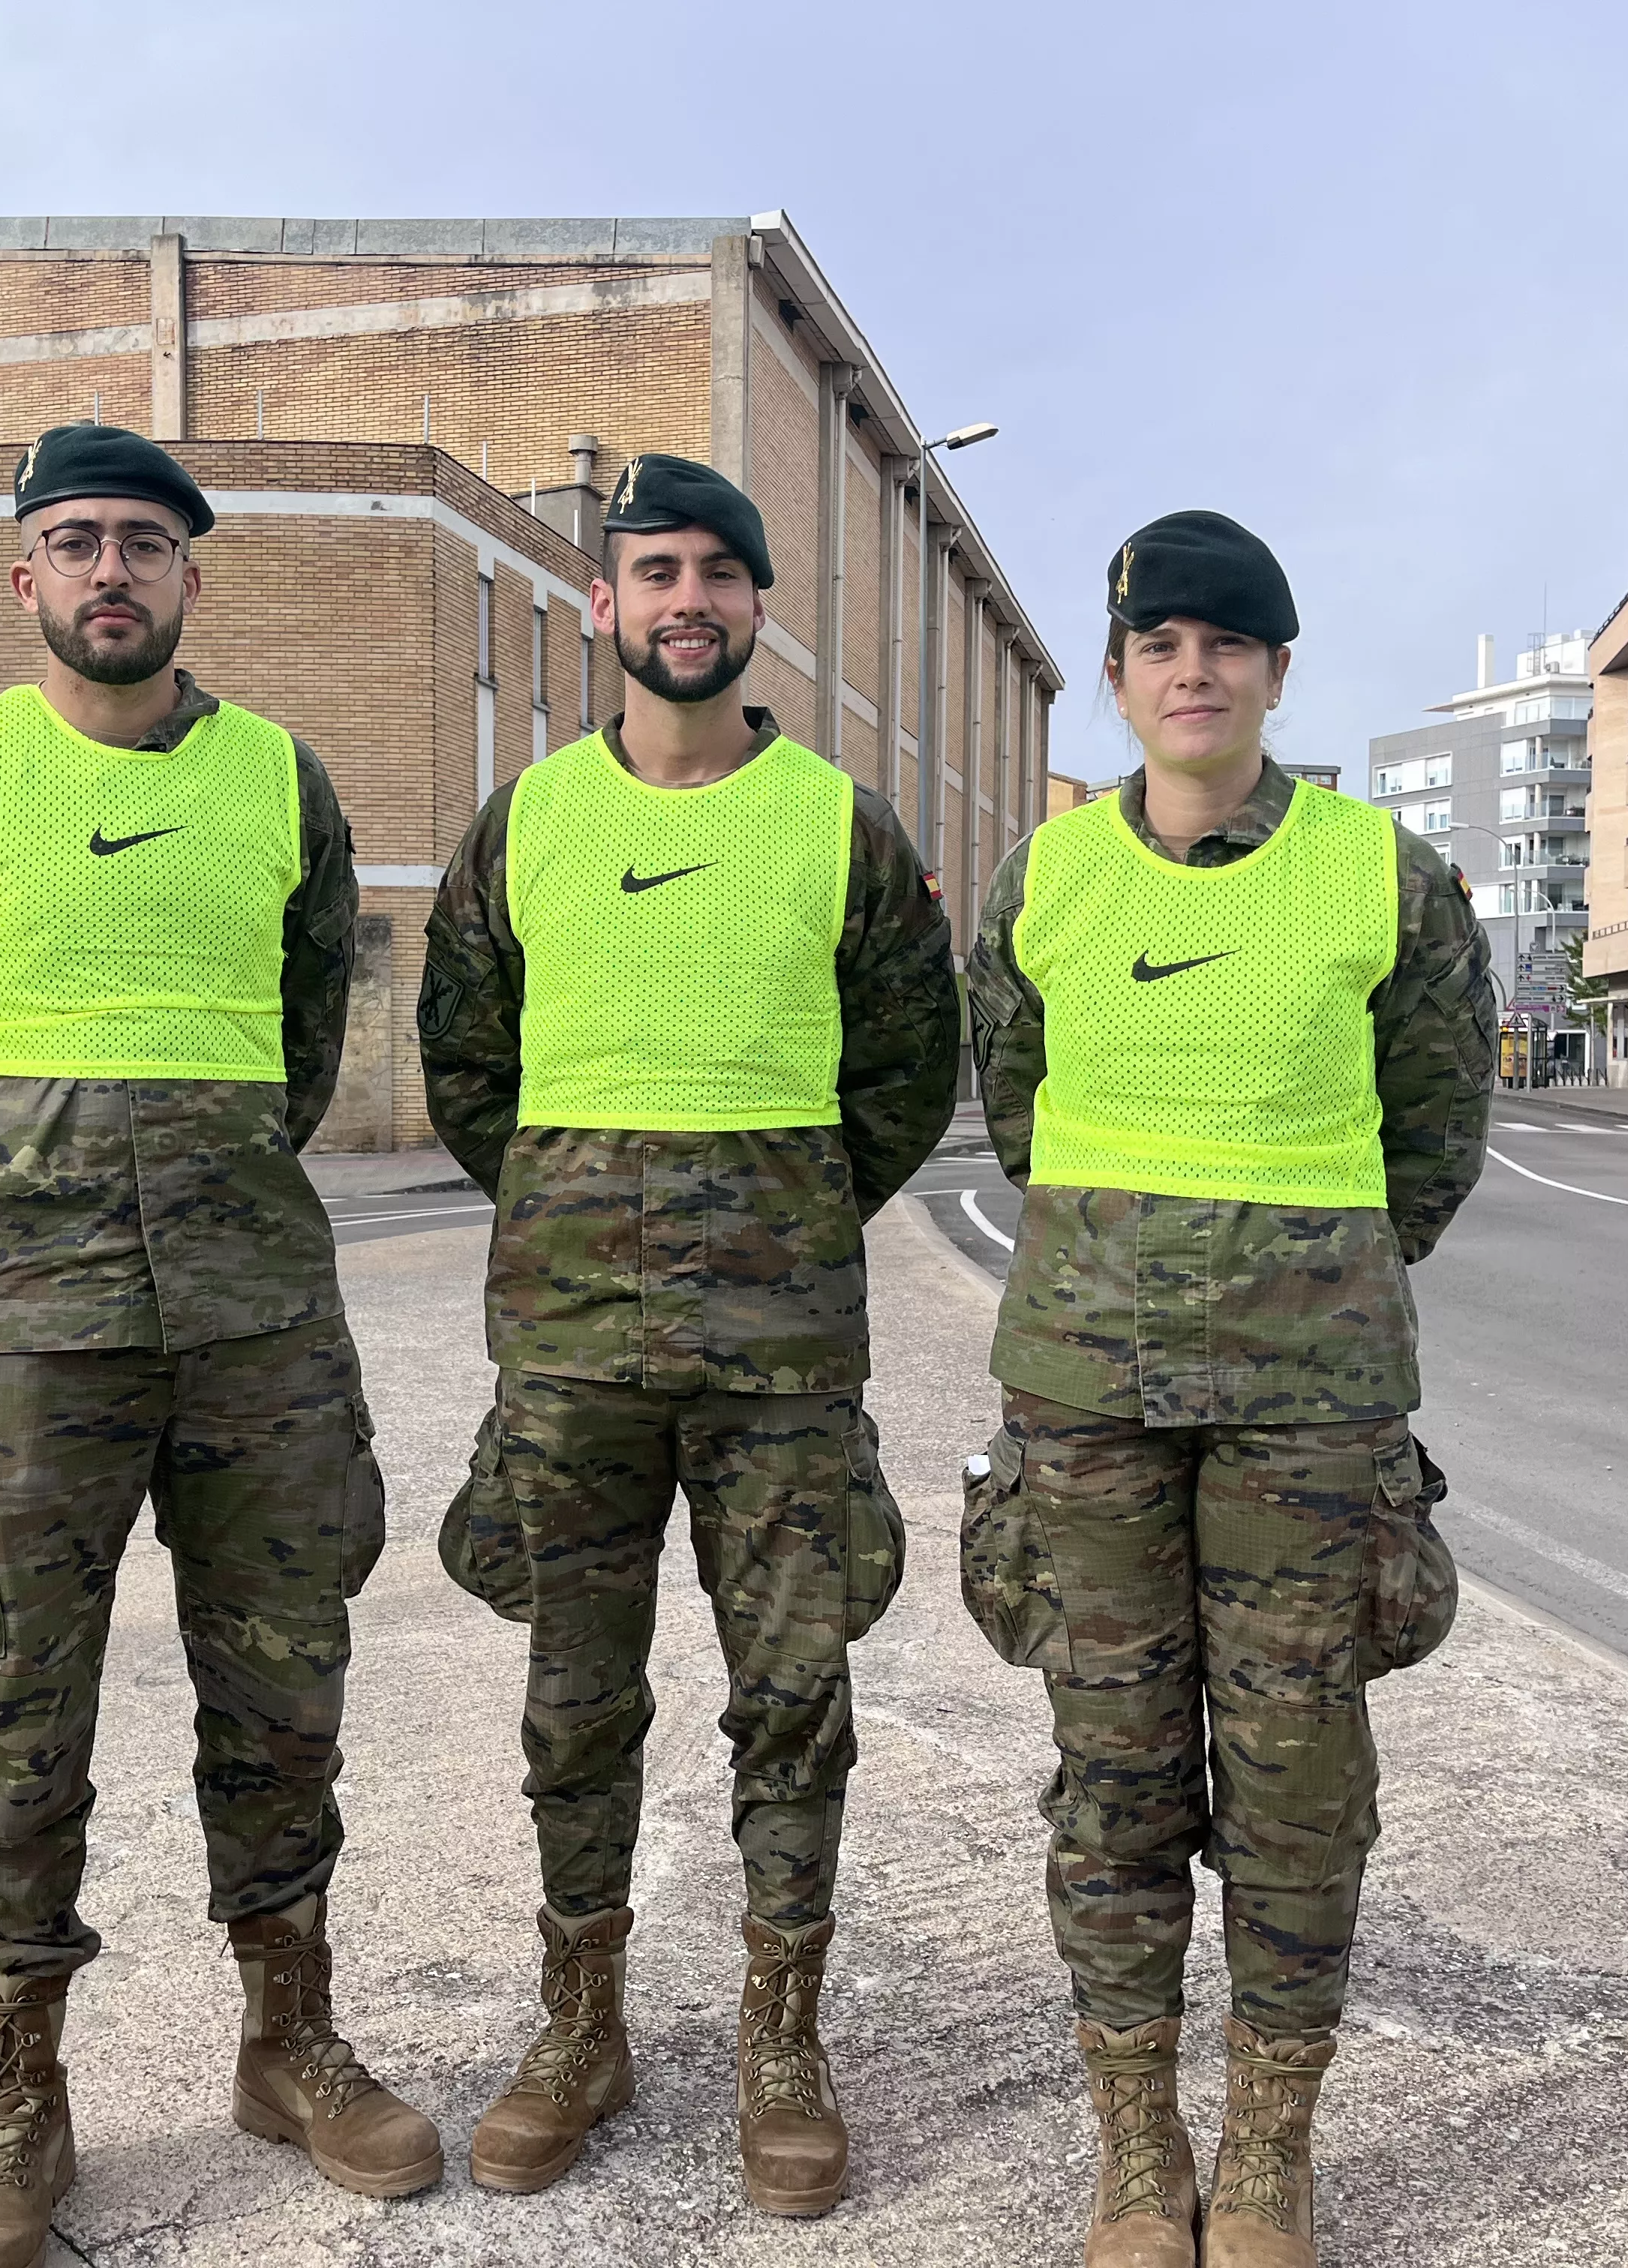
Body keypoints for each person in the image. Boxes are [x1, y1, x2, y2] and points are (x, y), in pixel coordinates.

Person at [0, 423, 437, 2268]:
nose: (113, 571)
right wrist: (35, 1194)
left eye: (146, 545)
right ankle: (17, 2100)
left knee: (286, 1694)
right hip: (31, 1334)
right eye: (76, 542)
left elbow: (306, 1033)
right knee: (26, 1710)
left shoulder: (286, 783)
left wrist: (192, 1176)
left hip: (253, 1318)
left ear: (194, 578)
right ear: (24, 577)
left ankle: (291, 2040)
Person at [419, 453, 957, 2216]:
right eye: (654, 571)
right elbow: (468, 1072)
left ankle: (779, 2039)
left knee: (792, 1697)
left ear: (755, 608)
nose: (686, 602)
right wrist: (586, 1207)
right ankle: (581, 2022)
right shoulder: (523, 828)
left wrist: (775, 1219)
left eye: (718, 573)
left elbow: (899, 1074)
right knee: (577, 1700)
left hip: (782, 1353)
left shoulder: (840, 826)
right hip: (571, 1350)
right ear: (606, 605)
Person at [959, 511, 1491, 2268]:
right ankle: (1136, 2153)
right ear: (1119, 679)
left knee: (1295, 1769)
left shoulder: (1385, 879)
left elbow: (1431, 1136)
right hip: (1088, 1399)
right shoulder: (1044, 882)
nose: (1194, 669)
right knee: (1111, 1776)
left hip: (1308, 1401)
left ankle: (1265, 2153)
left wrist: (1299, 1278)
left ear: (1277, 669)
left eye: (1228, 641)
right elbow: (1023, 1110)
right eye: (1161, 643)